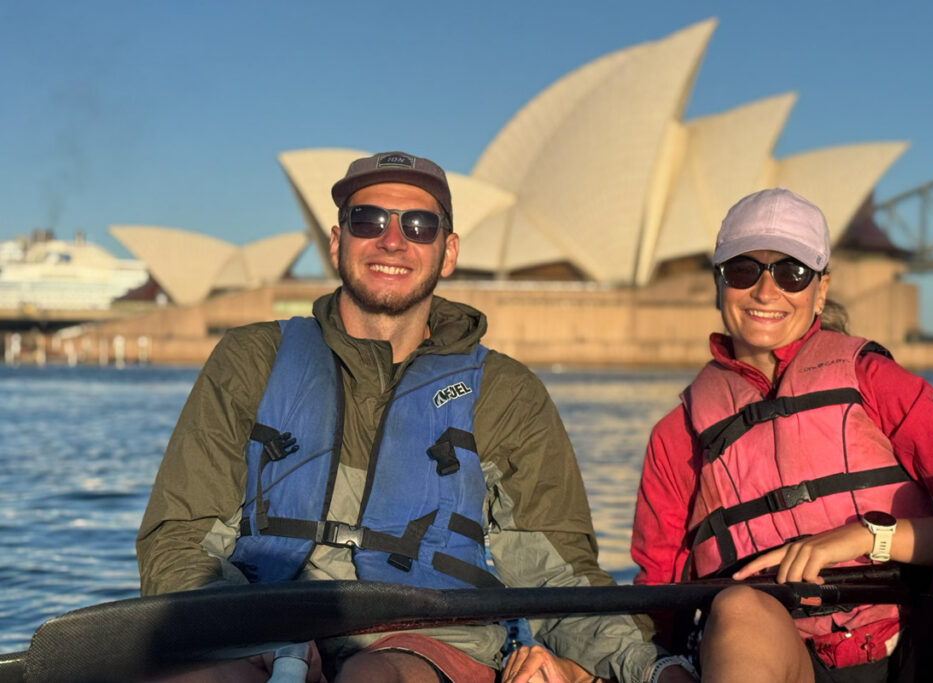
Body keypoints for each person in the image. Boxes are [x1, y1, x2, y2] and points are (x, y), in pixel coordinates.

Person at [137, 151, 673, 683]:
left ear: (448, 251)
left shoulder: (507, 393)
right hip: (260, 622)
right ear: (336, 240)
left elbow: (557, 573)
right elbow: (181, 538)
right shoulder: (250, 359)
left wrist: (653, 671)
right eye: (368, 220)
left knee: (375, 678)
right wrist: (247, 629)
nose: (392, 241)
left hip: (430, 639)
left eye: (419, 225)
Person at [630, 187, 933, 682]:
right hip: (788, 655)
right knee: (739, 611)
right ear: (719, 284)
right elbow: (655, 595)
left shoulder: (873, 379)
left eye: (792, 273)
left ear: (819, 290)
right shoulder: (677, 435)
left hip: (920, 637)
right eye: (743, 270)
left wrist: (867, 538)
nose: (766, 292)